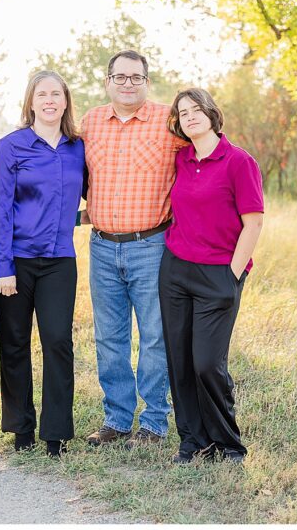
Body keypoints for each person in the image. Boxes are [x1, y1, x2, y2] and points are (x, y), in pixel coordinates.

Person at [79, 50, 187, 448]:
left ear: (147, 81)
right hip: (103, 247)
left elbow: (203, 155)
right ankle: (118, 419)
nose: (127, 84)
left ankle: (155, 422)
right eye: (119, 77)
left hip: (152, 245)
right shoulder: (90, 122)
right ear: (107, 81)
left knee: (155, 336)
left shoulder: (168, 120)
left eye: (135, 77)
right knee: (110, 337)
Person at [159, 87, 264, 464]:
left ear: (211, 113)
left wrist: (232, 277)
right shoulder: (183, 158)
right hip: (175, 269)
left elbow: (253, 225)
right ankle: (193, 441)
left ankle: (229, 443)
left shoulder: (238, 161)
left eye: (195, 109)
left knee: (207, 362)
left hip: (219, 272)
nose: (189, 116)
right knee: (180, 360)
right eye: (182, 112)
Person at [0, 70, 85, 459]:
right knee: (14, 344)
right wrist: (3, 267)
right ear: (30, 102)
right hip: (17, 261)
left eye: (56, 94)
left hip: (60, 259)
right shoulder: (11, 146)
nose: (49, 100)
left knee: (58, 342)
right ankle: (21, 427)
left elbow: (88, 196)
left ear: (65, 102)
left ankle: (56, 433)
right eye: (41, 94)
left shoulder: (78, 147)